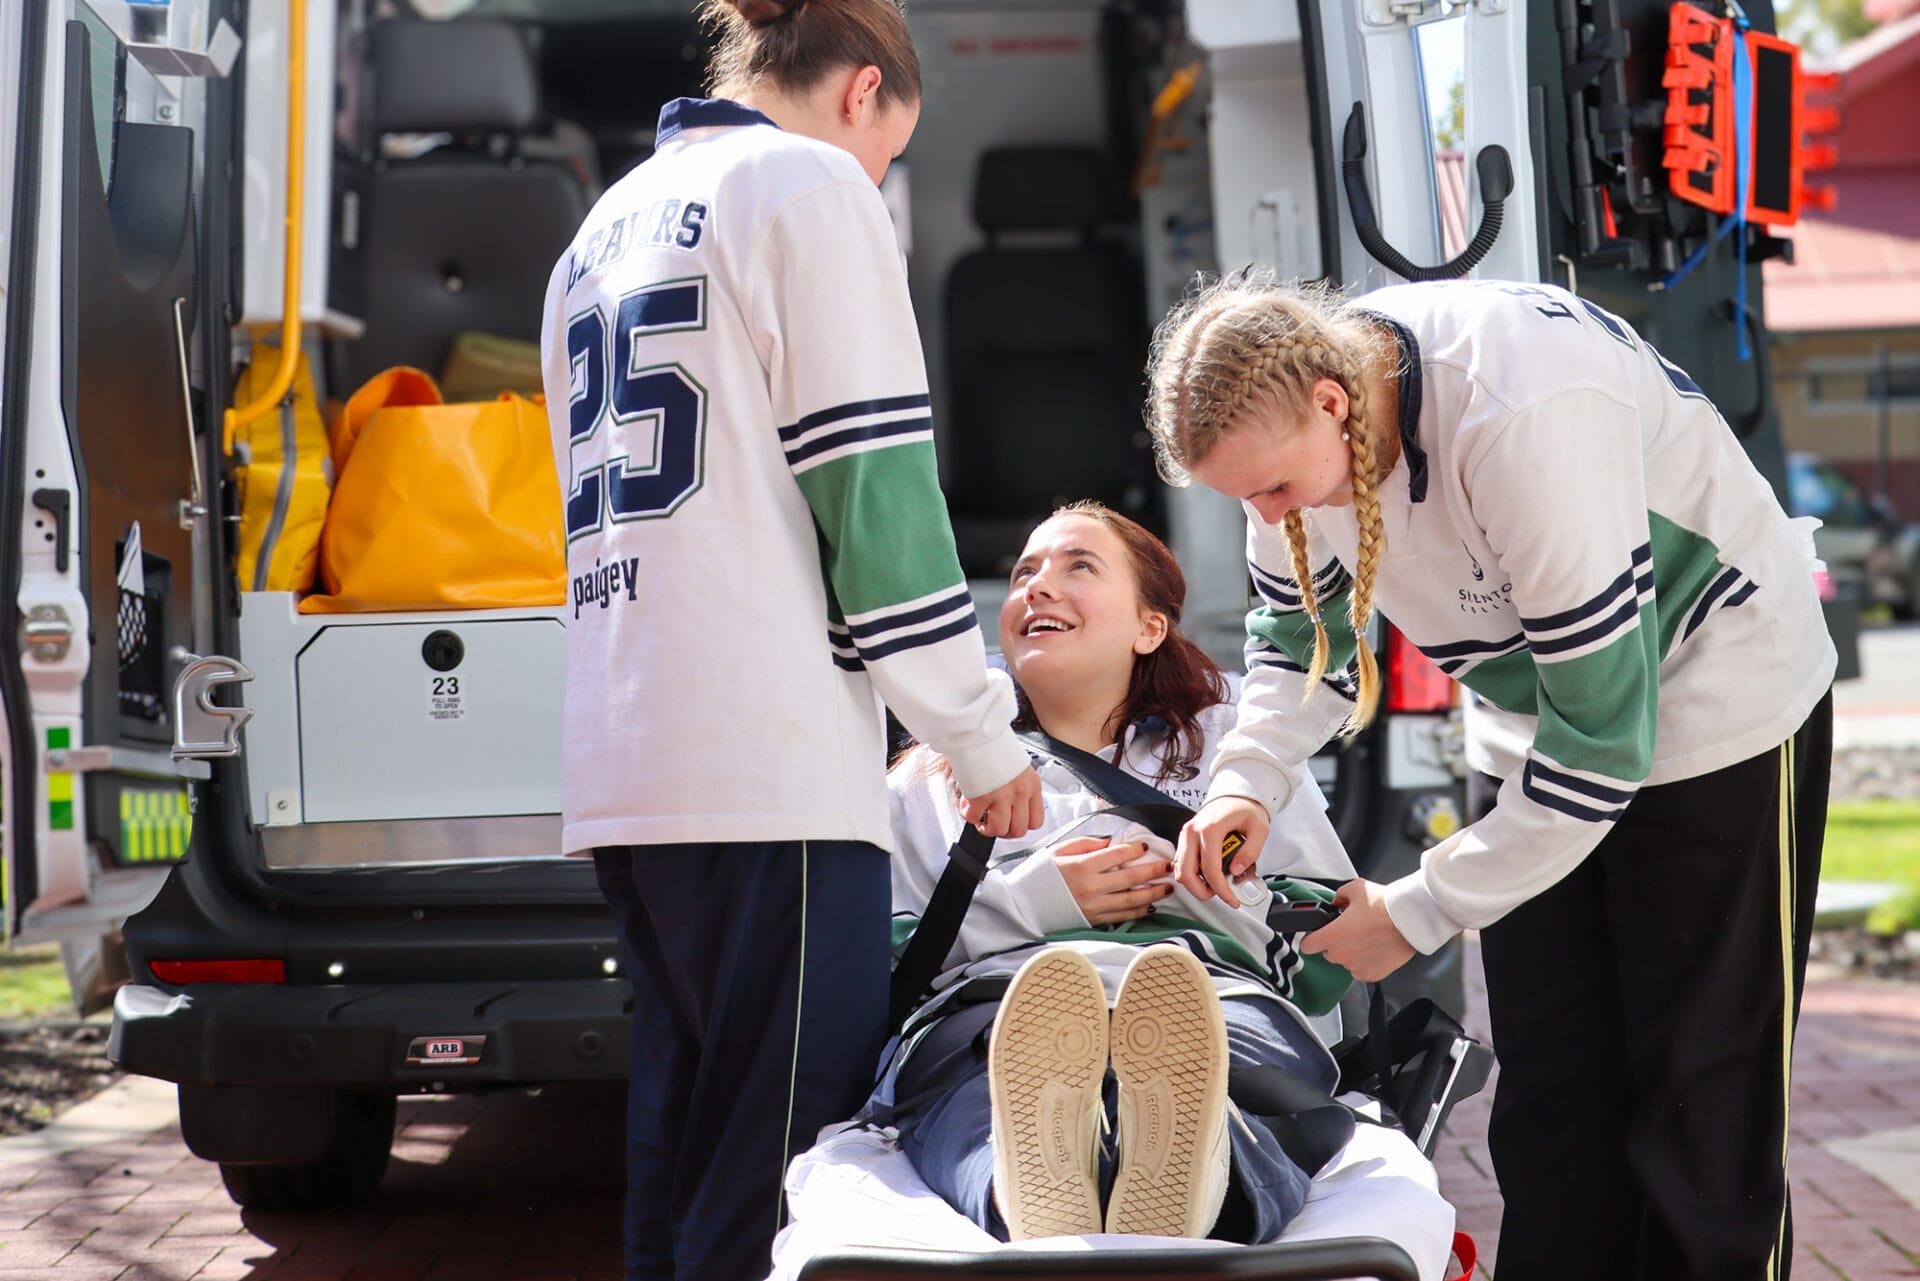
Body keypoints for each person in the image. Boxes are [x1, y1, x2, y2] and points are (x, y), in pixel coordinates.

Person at [1146, 275, 1834, 1280]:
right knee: (1555, 1096)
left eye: (1273, 490)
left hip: (1715, 695)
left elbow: (1602, 747)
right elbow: (1302, 651)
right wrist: (1243, 785)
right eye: (1243, 497)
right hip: (1531, 718)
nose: (1266, 514)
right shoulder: (1291, 441)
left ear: (1333, 404)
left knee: (1700, 1098)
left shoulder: (1521, 416)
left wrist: (1418, 911)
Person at [536, 2, 1043, 1277]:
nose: (880, 182)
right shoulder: (809, 187)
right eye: (891, 154)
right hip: (766, 763)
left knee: (681, 1141)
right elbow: (874, 495)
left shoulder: (602, 226)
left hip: (629, 756)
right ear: (861, 93)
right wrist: (978, 740)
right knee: (789, 1172)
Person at [884, 501, 1359, 1247]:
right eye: (1023, 574)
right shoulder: (929, 778)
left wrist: (1211, 894)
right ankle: (1039, 1183)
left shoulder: (1241, 751)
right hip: (995, 1012)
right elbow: (881, 963)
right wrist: (1031, 902)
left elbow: (1333, 946)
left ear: (1150, 625)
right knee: (982, 1102)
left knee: (1226, 1085)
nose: (1037, 587)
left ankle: (1196, 1169)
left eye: (1079, 565)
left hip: (1215, 998)